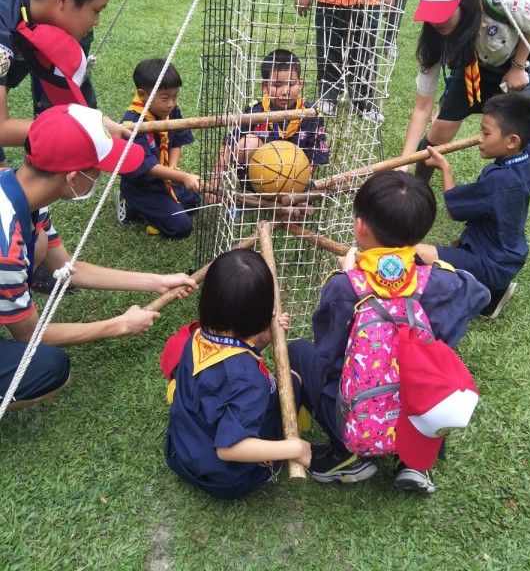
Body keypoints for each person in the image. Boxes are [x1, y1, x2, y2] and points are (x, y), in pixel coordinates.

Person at [288, 171, 489, 492]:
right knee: (426, 377)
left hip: (358, 417)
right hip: (419, 411)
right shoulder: (442, 282)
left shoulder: (344, 287)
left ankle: (345, 454)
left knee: (298, 351)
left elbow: (328, 352)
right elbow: (478, 293)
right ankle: (413, 463)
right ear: (422, 232)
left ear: (360, 226)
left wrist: (350, 276)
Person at [0, 103, 197, 410]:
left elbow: (68, 268)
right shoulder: (6, 245)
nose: (102, 177)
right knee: (49, 368)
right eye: (100, 170)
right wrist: (119, 325)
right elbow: (30, 334)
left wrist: (155, 282)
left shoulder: (19, 188)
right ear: (74, 178)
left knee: (39, 244)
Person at [162, 248, 311, 500]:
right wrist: (292, 447)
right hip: (225, 478)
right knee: (293, 383)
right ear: (260, 315)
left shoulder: (196, 336)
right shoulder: (249, 382)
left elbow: (220, 376)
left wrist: (262, 340)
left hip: (180, 453)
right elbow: (229, 448)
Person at [400, 0, 530, 183]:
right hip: (472, 71)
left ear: (464, 3)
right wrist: (404, 163)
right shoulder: (433, 41)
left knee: (512, 135)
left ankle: (502, 190)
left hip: (510, 70)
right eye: (431, 13)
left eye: (443, 12)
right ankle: (417, 185)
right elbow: (421, 108)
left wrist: (518, 66)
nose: (436, 21)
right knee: (440, 131)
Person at [415, 93, 530, 319]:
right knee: (457, 244)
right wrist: (524, 120)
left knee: (416, 253)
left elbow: (452, 210)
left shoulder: (498, 182)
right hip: (508, 253)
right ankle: (492, 293)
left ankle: (478, 290)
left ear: (512, 141)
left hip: (490, 264)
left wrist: (445, 168)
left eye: (486, 133)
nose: (479, 138)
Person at [0, 0, 124, 147]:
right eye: (96, 10)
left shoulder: (27, 10)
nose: (97, 21)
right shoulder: (4, 28)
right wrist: (86, 128)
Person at [209, 49, 329, 194]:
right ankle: (252, 195)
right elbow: (229, 146)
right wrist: (213, 184)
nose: (285, 91)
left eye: (291, 84)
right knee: (248, 143)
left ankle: (293, 202)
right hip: (258, 182)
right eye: (277, 85)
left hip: (295, 183)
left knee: (301, 207)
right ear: (265, 87)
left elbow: (314, 158)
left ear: (301, 83)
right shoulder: (255, 112)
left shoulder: (311, 114)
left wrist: (292, 182)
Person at [117, 59, 201, 238]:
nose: (171, 103)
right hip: (142, 186)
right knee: (181, 228)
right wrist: (183, 177)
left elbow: (176, 140)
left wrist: (173, 168)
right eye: (165, 97)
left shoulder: (170, 111)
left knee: (195, 199)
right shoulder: (131, 124)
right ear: (142, 95)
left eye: (175, 96)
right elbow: (149, 167)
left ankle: (161, 209)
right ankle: (130, 202)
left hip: (164, 180)